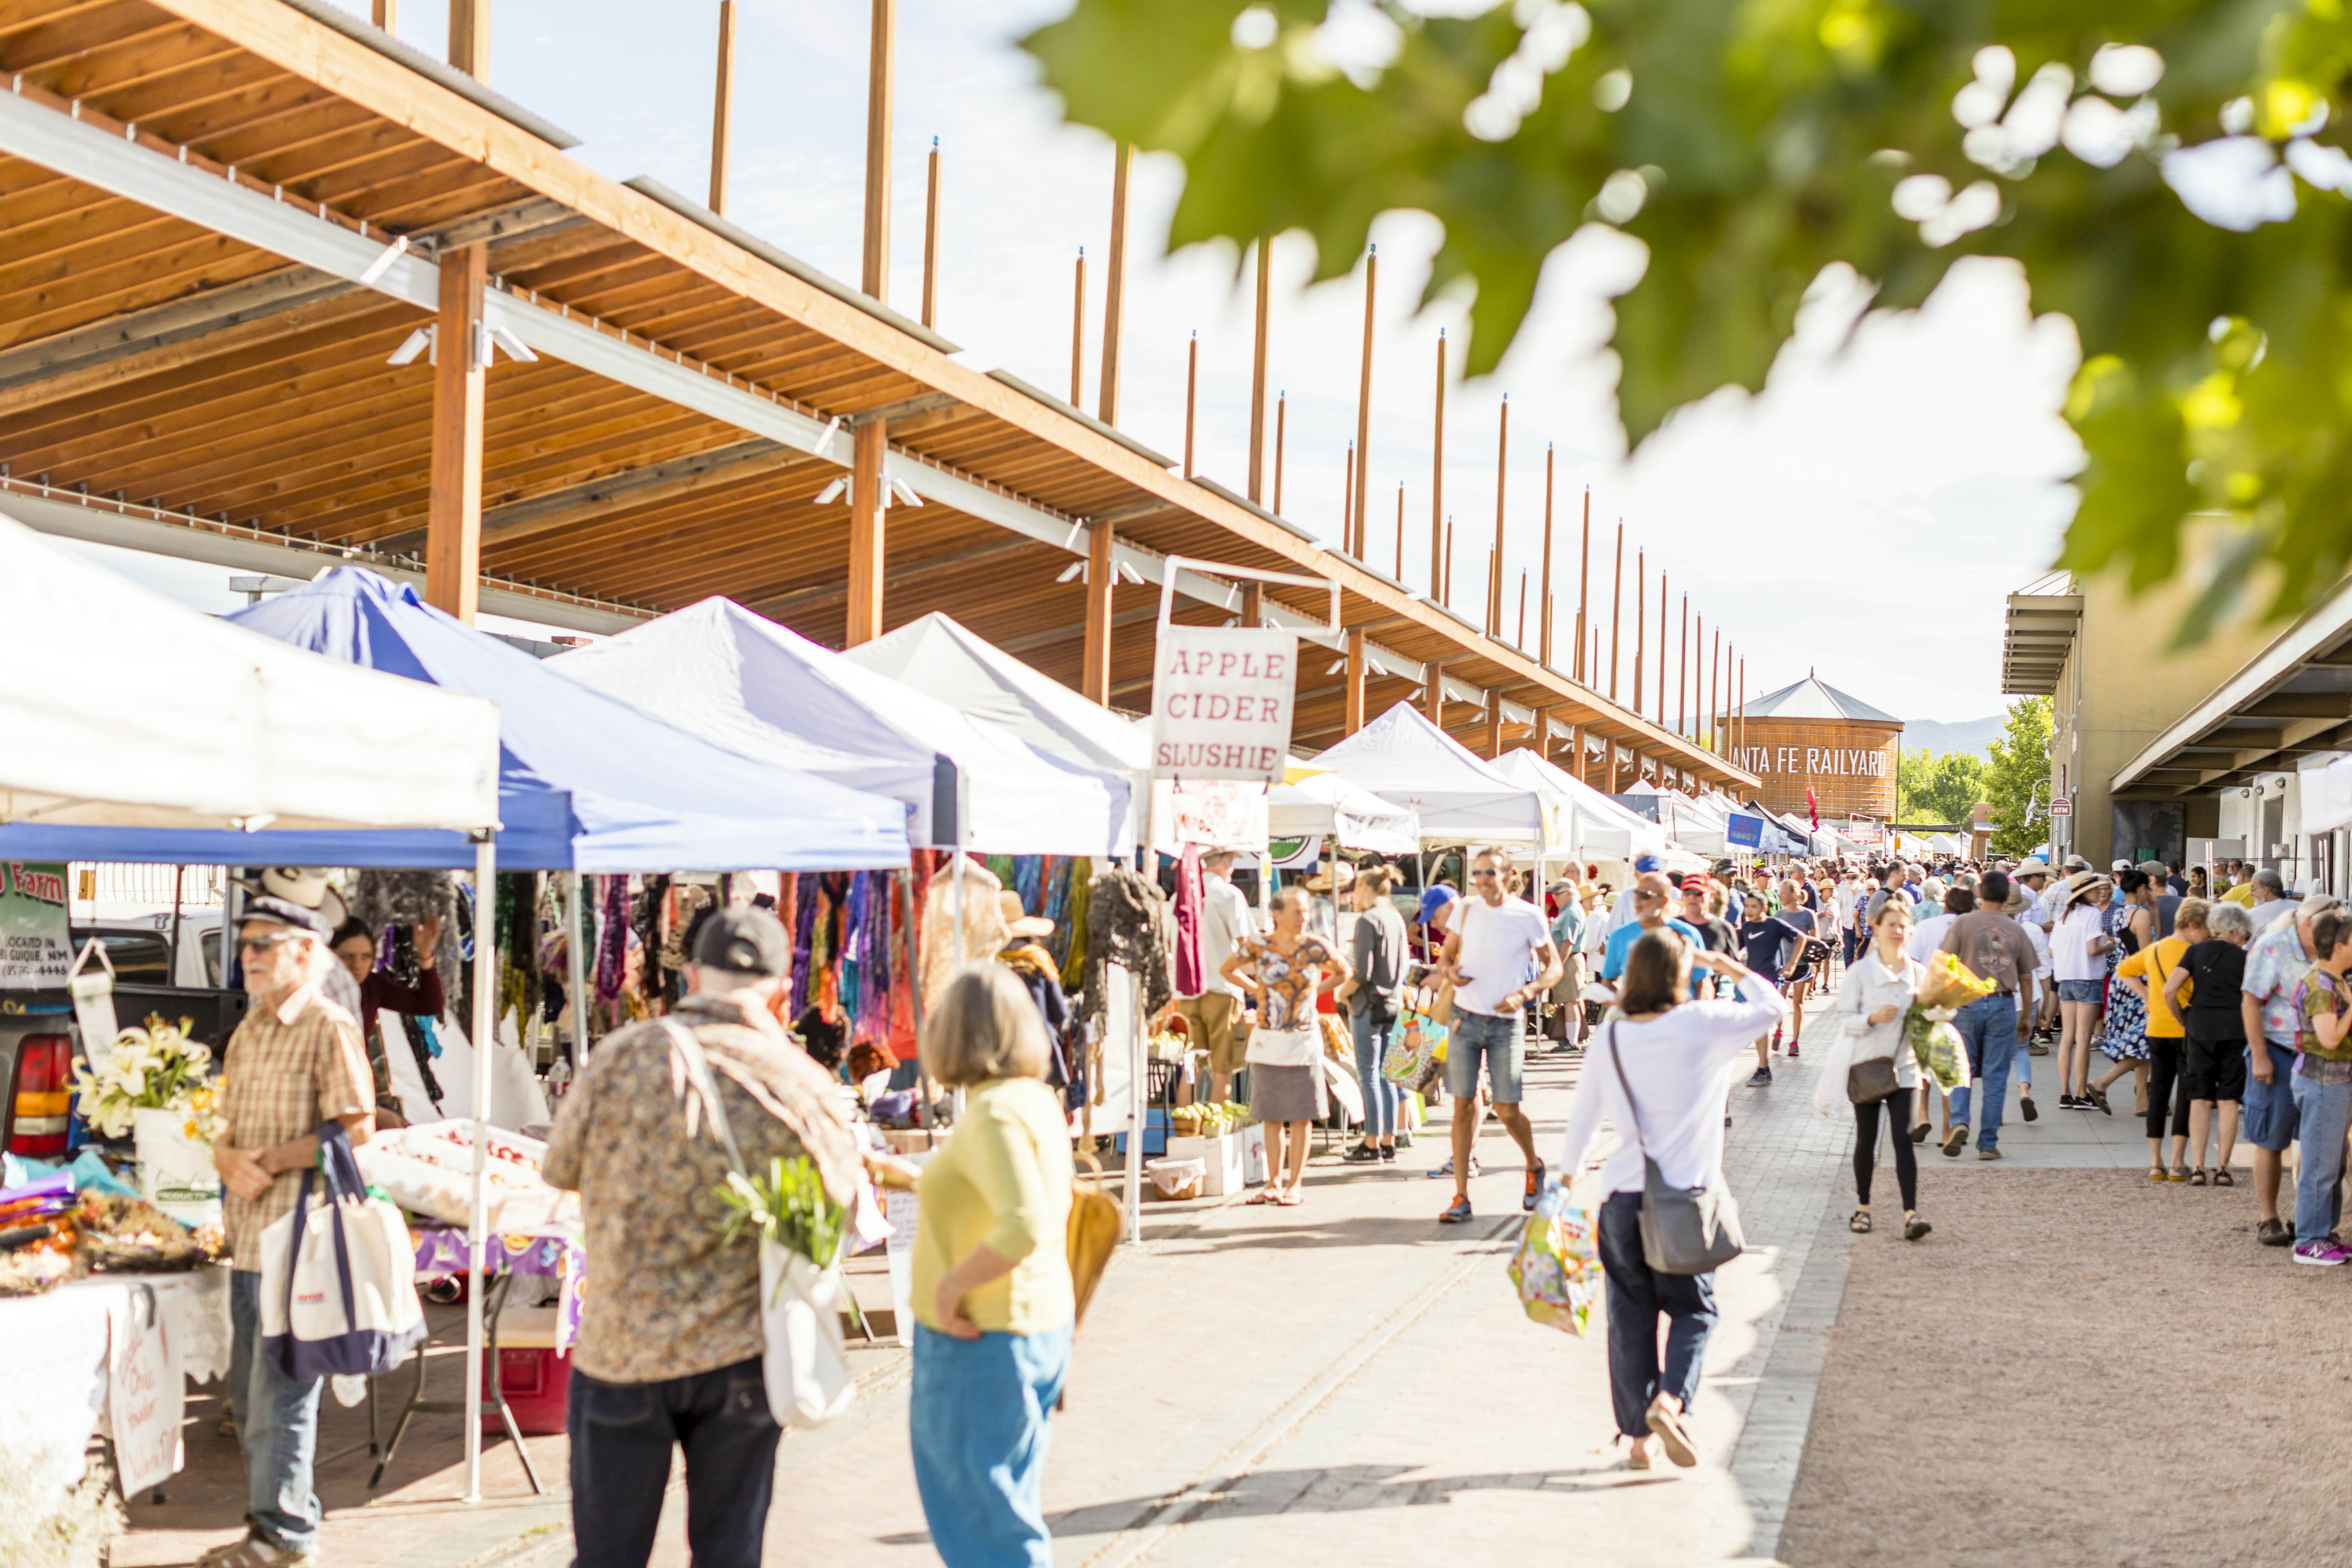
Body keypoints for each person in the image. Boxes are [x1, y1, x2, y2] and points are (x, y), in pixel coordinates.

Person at [544, 909, 859, 1568]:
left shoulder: (623, 1055)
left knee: (605, 1556)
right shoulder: (802, 1081)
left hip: (623, 1346)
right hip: (739, 1350)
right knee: (728, 1553)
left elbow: (560, 1168)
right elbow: (830, 1219)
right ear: (779, 987)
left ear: (691, 974)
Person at [1557, 929, 1787, 1471]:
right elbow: (1772, 1005)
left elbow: (1584, 1118)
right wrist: (1725, 964)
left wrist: (1564, 1180)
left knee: (1629, 1318)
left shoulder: (1610, 1036)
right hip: (1683, 1200)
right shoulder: (1702, 1024)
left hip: (1620, 1199)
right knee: (1694, 1310)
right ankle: (1671, 1401)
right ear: (1681, 974)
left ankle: (1638, 1439)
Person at [200, 897, 377, 1568]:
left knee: (280, 1393)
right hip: (247, 1237)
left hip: (300, 1240)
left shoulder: (328, 1027)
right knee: (248, 1393)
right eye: (246, 944)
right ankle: (271, 1522)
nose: (249, 955)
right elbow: (220, 1117)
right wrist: (224, 1155)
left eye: (264, 944)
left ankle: (285, 1536)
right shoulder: (249, 1029)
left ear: (305, 950)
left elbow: (359, 1127)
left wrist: (271, 1160)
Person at [895, 963, 1077, 1566]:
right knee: (1000, 1507)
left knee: (983, 1521)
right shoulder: (1032, 1101)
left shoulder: (994, 1112)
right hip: (1030, 1324)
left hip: (982, 1335)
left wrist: (949, 1288)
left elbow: (1023, 1221)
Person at [1434, 847, 1563, 1223]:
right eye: (1477, 873)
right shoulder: (1467, 909)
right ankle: (1461, 1196)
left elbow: (1554, 967)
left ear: (1508, 876)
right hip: (1466, 1017)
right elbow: (1447, 954)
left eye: (1490, 872)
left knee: (1507, 1110)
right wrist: (1449, 971)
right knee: (1463, 1105)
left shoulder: (1528, 914)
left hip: (1507, 1023)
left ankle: (1534, 1165)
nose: (1483, 880)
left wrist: (1526, 993)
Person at [2239, 892, 2343, 1247]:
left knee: (2320, 1144)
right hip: (2279, 1052)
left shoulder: (2336, 950)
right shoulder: (2273, 947)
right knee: (2271, 1137)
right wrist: (2260, 1055)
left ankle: (2308, 1220)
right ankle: (2268, 1217)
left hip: (2325, 1059)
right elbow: (2251, 1002)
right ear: (2310, 923)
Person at [1828, 895, 1933, 1240]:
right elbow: (1844, 1019)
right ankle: (1864, 1207)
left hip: (1905, 1065)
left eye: (1904, 926)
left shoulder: (1919, 972)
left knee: (1903, 1139)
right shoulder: (1861, 972)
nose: (1898, 931)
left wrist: (1935, 1015)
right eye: (1892, 925)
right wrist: (1871, 1017)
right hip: (1868, 1064)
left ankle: (1911, 1212)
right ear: (1877, 927)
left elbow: (1934, 1018)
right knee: (1867, 1139)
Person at [1222, 887, 1335, 1207]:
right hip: (1268, 1041)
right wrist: (1258, 990)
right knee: (1271, 1115)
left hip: (1302, 1041)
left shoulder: (1314, 946)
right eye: (1297, 911)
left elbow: (1345, 971)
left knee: (1301, 1116)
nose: (1304, 918)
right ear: (1277, 914)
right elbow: (1227, 968)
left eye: (1305, 912)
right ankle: (1273, 1183)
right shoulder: (1259, 945)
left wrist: (1313, 994)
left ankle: (1295, 1184)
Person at [1939, 869, 2040, 1161]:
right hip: (2002, 1003)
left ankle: (1960, 1121)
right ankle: (1988, 1143)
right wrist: (2028, 1017)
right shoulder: (2017, 930)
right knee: (1996, 1075)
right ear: (2007, 896)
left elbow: (1945, 963)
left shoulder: (1963, 923)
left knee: (1963, 1067)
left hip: (1967, 1002)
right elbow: (2027, 977)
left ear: (1979, 893)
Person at [328, 911, 443, 1127]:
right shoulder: (316, 990)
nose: (358, 965)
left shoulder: (372, 985)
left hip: (356, 1088)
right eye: (348, 957)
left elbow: (428, 1004)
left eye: (366, 957)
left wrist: (425, 955)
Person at [2165, 899, 2250, 1186]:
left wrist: (2183, 1020)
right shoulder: (2244, 958)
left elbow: (2170, 990)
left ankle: (2199, 1167)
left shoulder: (2195, 951)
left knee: (2199, 1100)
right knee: (2228, 1101)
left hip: (2200, 1026)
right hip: (2235, 1030)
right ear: (2237, 931)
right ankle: (2223, 1169)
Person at [2119, 898, 2202, 1182]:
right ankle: (2179, 1161)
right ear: (2193, 926)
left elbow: (2124, 971)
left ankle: (2156, 1162)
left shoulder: (2155, 950)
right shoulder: (2194, 953)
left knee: (2158, 1095)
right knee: (2186, 1097)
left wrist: (2146, 997)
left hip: (2157, 1028)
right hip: (2186, 1028)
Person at [2286, 910, 2352, 1265]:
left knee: (2332, 1162)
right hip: (2323, 1079)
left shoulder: (2333, 980)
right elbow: (2329, 1038)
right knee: (2320, 1164)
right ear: (2339, 945)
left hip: (2335, 1080)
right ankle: (2309, 1240)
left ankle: (2322, 1234)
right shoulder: (2320, 985)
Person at [1337, 866, 1410, 1163]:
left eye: (1355, 889)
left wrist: (1342, 993)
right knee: (1388, 1075)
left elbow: (1362, 972)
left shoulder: (1368, 920)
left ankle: (1371, 1143)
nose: (1353, 896)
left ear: (1366, 888)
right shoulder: (1395, 917)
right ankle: (1389, 1141)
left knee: (1368, 1074)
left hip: (1368, 1004)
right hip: (1394, 1003)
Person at [1173, 849, 1256, 1105]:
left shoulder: (1180, 896)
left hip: (1187, 993)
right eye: (1231, 864)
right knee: (1223, 1067)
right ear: (1222, 863)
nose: (1232, 870)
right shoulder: (1230, 895)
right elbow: (1249, 947)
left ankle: (1185, 1129)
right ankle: (1215, 1134)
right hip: (1224, 991)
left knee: (1191, 1066)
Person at [2087, 872, 2156, 1115]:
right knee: (2150, 1040)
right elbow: (2149, 953)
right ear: (2140, 890)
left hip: (2121, 980)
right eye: (2147, 888)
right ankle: (2102, 1082)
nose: (2150, 893)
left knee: (2139, 1042)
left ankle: (2142, 1101)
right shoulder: (2141, 914)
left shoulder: (2117, 913)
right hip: (2140, 981)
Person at [2048, 873, 2114, 1108]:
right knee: (2084, 1040)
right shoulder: (2093, 914)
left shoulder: (2064, 917)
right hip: (2088, 978)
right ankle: (2082, 1095)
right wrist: (2110, 945)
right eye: (2096, 889)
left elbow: (2052, 952)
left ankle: (2065, 1094)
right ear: (2085, 893)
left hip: (2065, 979)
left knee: (2068, 1038)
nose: (2101, 892)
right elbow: (2092, 949)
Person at [1735, 893, 1805, 1086]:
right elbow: (1735, 951)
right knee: (1757, 1024)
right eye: (1747, 907)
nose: (1749, 911)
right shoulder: (1746, 927)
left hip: (1772, 981)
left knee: (1760, 1023)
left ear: (1764, 908)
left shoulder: (1775, 924)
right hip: (1751, 982)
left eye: (1753, 907)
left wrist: (1792, 963)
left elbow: (1801, 938)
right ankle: (1763, 1069)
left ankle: (1763, 1069)